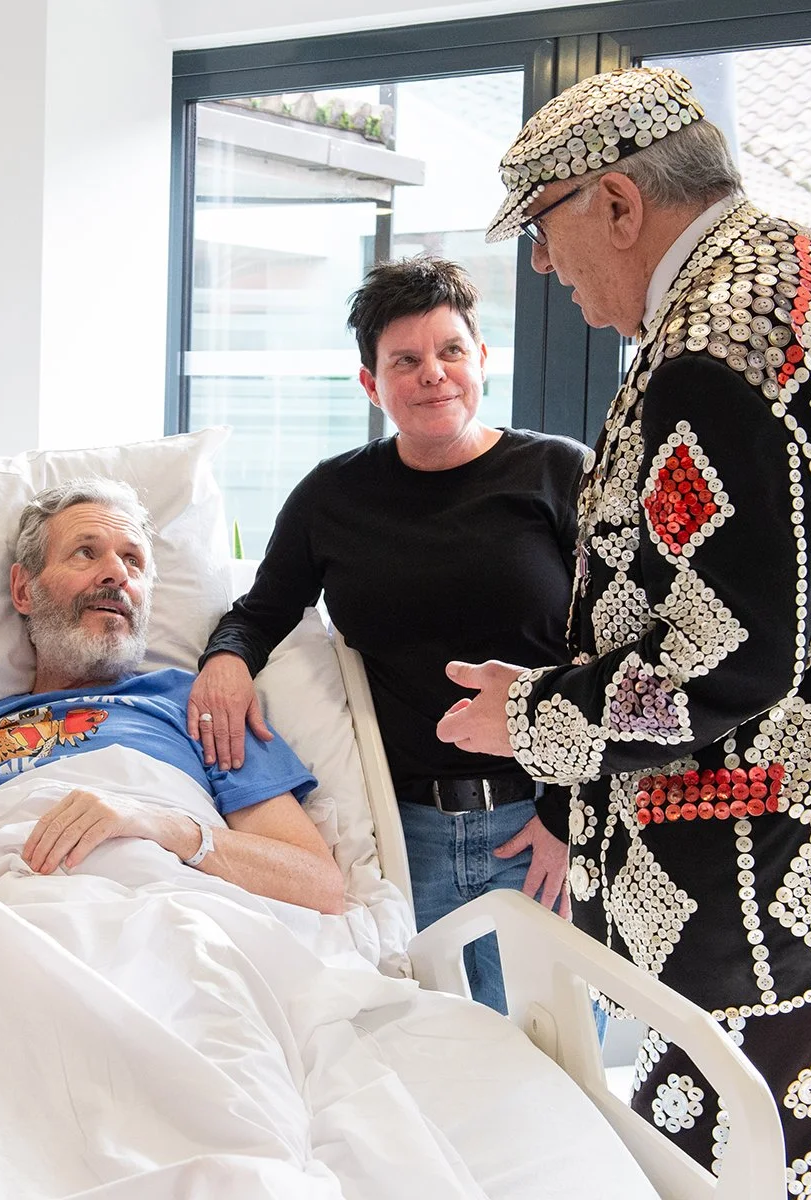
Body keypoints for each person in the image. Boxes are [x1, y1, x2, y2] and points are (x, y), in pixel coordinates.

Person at [437, 66, 811, 1196]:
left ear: (619, 203)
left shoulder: (712, 351)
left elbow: (728, 657)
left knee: (733, 1173)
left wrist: (531, 720)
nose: (543, 266)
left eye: (547, 229)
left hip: (782, 890)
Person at [188, 256, 586, 1013]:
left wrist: (568, 817)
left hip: (546, 825)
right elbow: (261, 611)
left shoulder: (558, 474)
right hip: (407, 838)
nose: (433, 374)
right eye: (406, 360)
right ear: (371, 384)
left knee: (561, 1075)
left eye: (451, 352)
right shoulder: (333, 496)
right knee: (435, 1065)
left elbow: (616, 653)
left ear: (482, 362)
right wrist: (225, 663)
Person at [0, 478, 347, 915]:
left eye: (133, 561)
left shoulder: (197, 705)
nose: (116, 575)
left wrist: (158, 824)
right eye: (86, 553)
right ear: (24, 589)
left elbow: (316, 884)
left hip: (160, 912)